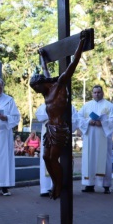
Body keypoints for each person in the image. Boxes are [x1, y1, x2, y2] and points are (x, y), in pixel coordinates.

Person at [30, 29, 89, 199]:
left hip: (60, 128)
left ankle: (60, 184)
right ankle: (56, 183)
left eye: (36, 88)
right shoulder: (45, 91)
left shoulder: (60, 84)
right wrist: (42, 56)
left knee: (54, 157)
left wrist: (81, 43)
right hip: (50, 129)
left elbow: (73, 63)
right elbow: (44, 68)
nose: (36, 91)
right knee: (46, 158)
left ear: (41, 84)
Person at [78, 85, 113, 194]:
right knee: (89, 159)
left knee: (104, 160)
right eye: (95, 92)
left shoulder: (109, 106)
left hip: (103, 137)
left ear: (102, 93)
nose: (97, 94)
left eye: (99, 92)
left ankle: (106, 185)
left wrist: (102, 123)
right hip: (90, 137)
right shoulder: (86, 106)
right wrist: (89, 122)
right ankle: (89, 185)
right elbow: (79, 118)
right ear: (92, 94)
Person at [35, 103, 80, 197]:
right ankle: (46, 188)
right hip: (48, 134)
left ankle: (60, 187)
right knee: (46, 157)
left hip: (61, 135)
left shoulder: (68, 105)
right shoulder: (46, 104)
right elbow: (39, 116)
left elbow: (75, 120)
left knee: (57, 159)